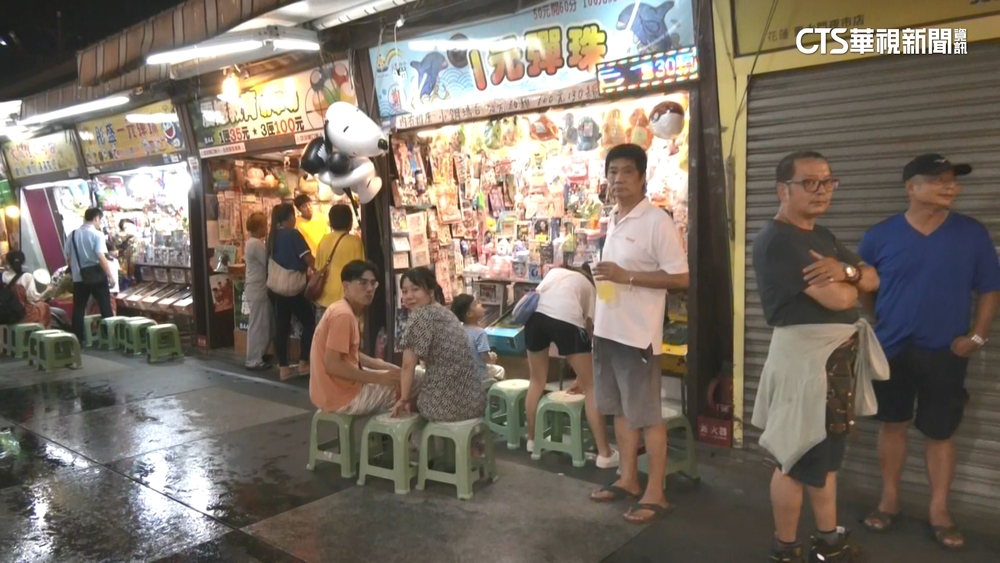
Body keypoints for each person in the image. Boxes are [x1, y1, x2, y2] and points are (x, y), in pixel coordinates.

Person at [858, 154, 1000, 551]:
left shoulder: (971, 234)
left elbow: (990, 288)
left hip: (946, 353)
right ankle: (889, 501)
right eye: (939, 181)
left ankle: (940, 511)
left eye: (953, 181)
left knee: (940, 434)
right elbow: (865, 289)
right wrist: (884, 324)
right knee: (893, 424)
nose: (950, 187)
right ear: (911, 188)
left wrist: (977, 336)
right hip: (893, 351)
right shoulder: (880, 235)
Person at [752, 151, 883, 563]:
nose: (822, 190)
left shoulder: (821, 235)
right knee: (795, 456)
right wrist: (850, 281)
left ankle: (827, 538)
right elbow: (841, 297)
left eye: (827, 182)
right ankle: (786, 547)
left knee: (825, 458)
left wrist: (845, 272)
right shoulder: (779, 241)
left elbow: (871, 278)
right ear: (782, 190)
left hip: (832, 361)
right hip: (807, 364)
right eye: (810, 182)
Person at [588, 144, 688, 524]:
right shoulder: (615, 217)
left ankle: (656, 492)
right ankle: (628, 478)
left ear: (643, 176)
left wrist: (626, 277)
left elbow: (680, 277)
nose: (618, 180)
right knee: (618, 410)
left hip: (638, 337)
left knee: (647, 416)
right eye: (613, 172)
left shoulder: (656, 221)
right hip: (608, 331)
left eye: (627, 172)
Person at [521, 265, 618, 469]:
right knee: (593, 386)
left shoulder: (555, 273)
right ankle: (604, 453)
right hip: (565, 320)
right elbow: (590, 331)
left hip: (533, 319)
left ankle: (532, 440)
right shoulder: (590, 288)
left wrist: (580, 377)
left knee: (537, 380)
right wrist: (585, 376)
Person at [392, 267, 486, 422]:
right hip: (475, 401)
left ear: (430, 292)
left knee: (402, 396)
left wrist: (404, 399)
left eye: (415, 290)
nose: (409, 296)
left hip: (445, 406)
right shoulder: (444, 312)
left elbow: (408, 365)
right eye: (404, 291)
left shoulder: (421, 317)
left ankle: (419, 444)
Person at [310, 260, 401, 415]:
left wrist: (382, 366)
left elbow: (349, 354)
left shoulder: (343, 309)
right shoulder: (344, 315)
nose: (370, 289)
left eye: (373, 284)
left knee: (400, 376)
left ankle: (383, 437)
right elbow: (332, 364)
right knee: (407, 387)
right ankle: (390, 438)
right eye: (362, 283)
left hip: (330, 392)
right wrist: (379, 378)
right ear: (346, 286)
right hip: (341, 397)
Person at [268, 202, 316, 381]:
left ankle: (284, 367)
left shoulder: (272, 236)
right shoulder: (293, 235)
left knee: (281, 327)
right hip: (294, 288)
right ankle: (304, 362)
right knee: (309, 322)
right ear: (289, 218)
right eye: (294, 215)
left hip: (276, 289)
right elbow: (308, 259)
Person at [64, 207, 115, 340]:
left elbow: (68, 257)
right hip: (97, 277)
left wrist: (75, 269)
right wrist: (109, 275)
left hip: (79, 277)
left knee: (79, 308)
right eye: (100, 220)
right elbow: (101, 257)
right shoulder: (97, 235)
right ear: (96, 218)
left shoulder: (72, 235)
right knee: (105, 306)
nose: (100, 223)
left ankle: (78, 338)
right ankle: (108, 337)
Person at [314, 204, 365, 309]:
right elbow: (360, 271)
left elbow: (318, 268)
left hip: (325, 300)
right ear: (350, 222)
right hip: (347, 300)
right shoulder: (355, 242)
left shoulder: (324, 240)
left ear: (331, 222)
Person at [450, 294, 505, 381]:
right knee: (500, 370)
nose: (480, 305)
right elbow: (484, 357)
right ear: (469, 313)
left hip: (463, 373)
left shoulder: (459, 330)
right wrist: (491, 358)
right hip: (479, 374)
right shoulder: (480, 333)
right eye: (476, 304)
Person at [244, 212, 272, 371]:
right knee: (258, 324)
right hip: (258, 288)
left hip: (254, 287)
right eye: (265, 225)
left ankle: (258, 354)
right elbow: (267, 262)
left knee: (259, 323)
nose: (267, 228)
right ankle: (254, 359)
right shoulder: (256, 244)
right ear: (259, 227)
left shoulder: (252, 242)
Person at [2, 250, 54, 328]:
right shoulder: (27, 276)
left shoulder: (3, 276)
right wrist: (48, 290)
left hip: (4, 312)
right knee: (45, 307)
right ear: (23, 262)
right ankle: (40, 335)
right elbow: (33, 298)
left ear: (8, 262)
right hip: (21, 314)